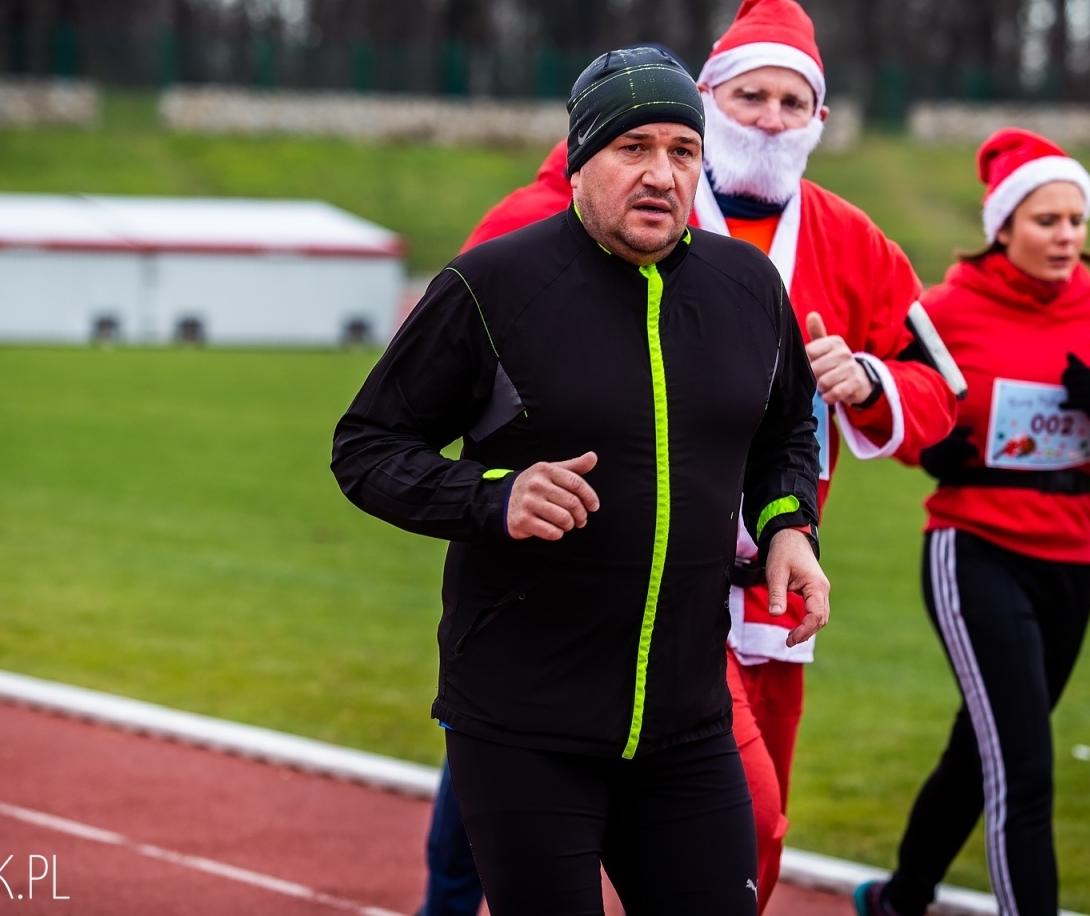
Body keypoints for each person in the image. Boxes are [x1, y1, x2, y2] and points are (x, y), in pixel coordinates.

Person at [442, 0, 959, 912]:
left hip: (769, 595)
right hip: (580, 583)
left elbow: (939, 399)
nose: (768, 117)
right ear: (705, 95)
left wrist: (870, 383)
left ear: (820, 120)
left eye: (790, 102)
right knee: (535, 791)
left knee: (740, 837)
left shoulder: (852, 242)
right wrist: (500, 488)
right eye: (747, 96)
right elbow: (469, 344)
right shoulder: (583, 202)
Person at [333, 45, 831, 916]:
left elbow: (787, 427)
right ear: (579, 160)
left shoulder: (747, 288)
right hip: (524, 726)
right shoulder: (494, 286)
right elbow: (368, 445)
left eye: (682, 150)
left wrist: (789, 525)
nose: (662, 174)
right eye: (633, 148)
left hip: (685, 720)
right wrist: (493, 496)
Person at [855, 128, 1090, 916]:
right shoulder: (941, 311)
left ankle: (900, 898)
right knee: (1027, 769)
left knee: (985, 749)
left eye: (1076, 220)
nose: (1066, 235)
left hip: (1073, 555)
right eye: (1046, 220)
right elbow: (893, 411)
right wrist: (931, 450)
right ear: (1002, 226)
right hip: (974, 549)